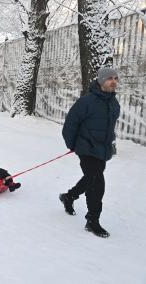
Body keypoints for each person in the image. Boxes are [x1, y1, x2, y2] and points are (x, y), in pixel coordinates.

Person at [60, 67, 120, 238]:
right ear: (101, 81)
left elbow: (109, 129)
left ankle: (69, 196)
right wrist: (74, 146)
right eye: (110, 78)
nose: (114, 81)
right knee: (97, 183)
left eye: (116, 78)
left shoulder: (114, 104)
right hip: (86, 149)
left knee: (91, 178)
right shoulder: (86, 102)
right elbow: (70, 125)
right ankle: (92, 221)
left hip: (102, 150)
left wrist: (110, 146)